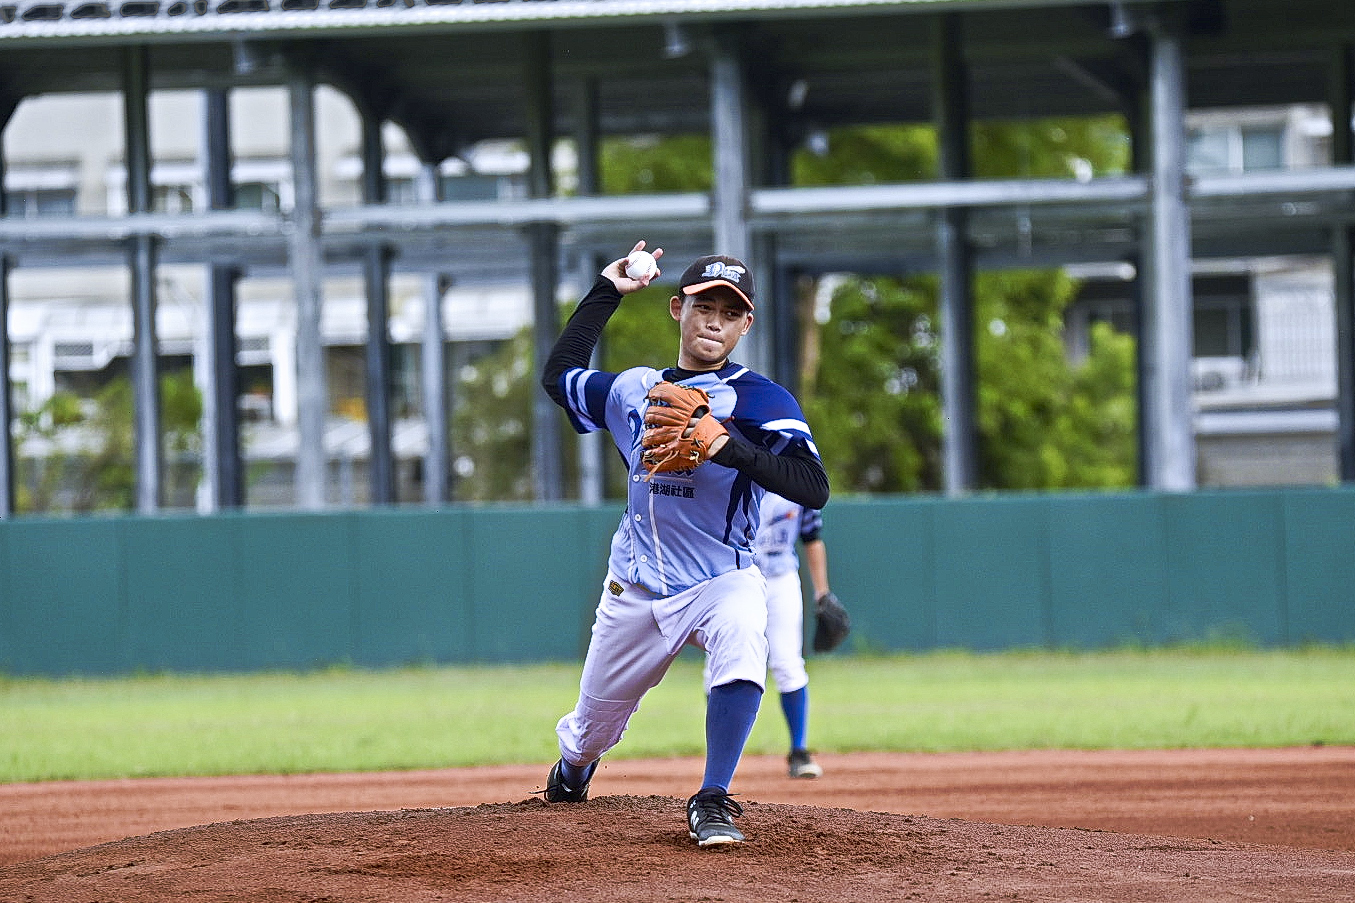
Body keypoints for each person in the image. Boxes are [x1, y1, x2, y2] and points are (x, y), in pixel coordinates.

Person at [538, 240, 830, 848]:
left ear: (745, 323)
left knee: (747, 630)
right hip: (635, 588)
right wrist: (604, 292)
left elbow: (813, 488)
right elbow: (559, 376)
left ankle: (713, 796)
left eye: (729, 311)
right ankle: (574, 768)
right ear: (678, 309)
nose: (714, 321)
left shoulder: (759, 400)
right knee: (590, 731)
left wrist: (728, 445)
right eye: (704, 306)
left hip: (720, 577)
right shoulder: (634, 391)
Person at [705, 492, 833, 779]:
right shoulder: (731, 467)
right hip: (731, 576)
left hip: (780, 579)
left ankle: (799, 751)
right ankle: (722, 754)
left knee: (788, 664)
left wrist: (822, 592)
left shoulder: (797, 475)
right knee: (718, 667)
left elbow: (812, 537)